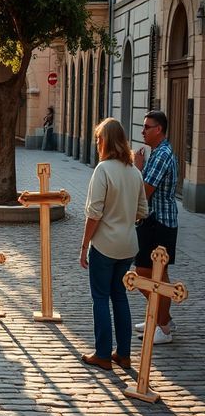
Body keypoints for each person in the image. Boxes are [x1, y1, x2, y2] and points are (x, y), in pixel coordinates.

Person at [80, 118, 148, 371]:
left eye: (99, 138)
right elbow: (143, 210)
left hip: (105, 245)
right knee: (119, 297)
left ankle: (102, 353)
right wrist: (124, 215)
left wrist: (84, 244)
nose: (96, 142)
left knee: (100, 297)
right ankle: (124, 354)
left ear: (106, 140)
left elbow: (94, 213)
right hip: (128, 245)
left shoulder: (104, 170)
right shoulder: (134, 172)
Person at [133, 110, 179, 345]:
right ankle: (162, 318)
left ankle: (162, 325)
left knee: (145, 274)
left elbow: (145, 191)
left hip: (158, 223)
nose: (143, 131)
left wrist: (137, 168)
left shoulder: (161, 155)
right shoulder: (160, 151)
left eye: (147, 127)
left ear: (158, 129)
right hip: (158, 221)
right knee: (155, 274)